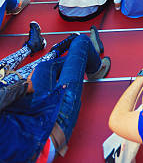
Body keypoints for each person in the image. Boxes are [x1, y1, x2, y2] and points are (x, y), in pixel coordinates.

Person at [0, 29, 110, 162]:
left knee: (43, 67)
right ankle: (95, 68)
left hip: (30, 116)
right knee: (82, 41)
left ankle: (83, 57)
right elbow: (27, 87)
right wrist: (23, 86)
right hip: (48, 132)